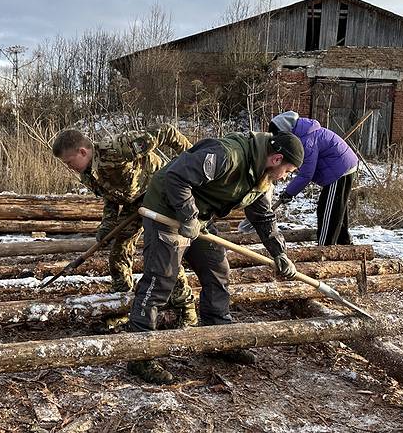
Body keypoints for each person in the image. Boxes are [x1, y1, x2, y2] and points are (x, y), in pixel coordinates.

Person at [128, 130, 305, 384]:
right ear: (276, 159)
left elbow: (263, 216)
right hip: (166, 209)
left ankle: (218, 339)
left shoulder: (261, 176)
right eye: (288, 171)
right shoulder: (228, 155)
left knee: (217, 270)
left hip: (197, 216)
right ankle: (139, 353)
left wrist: (280, 253)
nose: (286, 177)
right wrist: (187, 215)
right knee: (161, 279)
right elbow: (176, 177)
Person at [52, 124, 198, 331]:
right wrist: (107, 226)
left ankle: (187, 309)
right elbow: (110, 198)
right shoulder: (87, 173)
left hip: (161, 195)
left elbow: (167, 131)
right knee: (119, 251)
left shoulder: (116, 149)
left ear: (82, 152)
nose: (69, 167)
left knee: (164, 253)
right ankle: (123, 304)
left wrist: (191, 163)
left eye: (69, 162)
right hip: (136, 203)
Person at [269, 111, 358, 246]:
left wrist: (289, 193)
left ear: (285, 131)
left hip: (340, 170)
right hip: (341, 168)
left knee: (327, 211)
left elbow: (306, 174)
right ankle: (344, 244)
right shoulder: (304, 134)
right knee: (336, 209)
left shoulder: (306, 141)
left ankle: (324, 249)